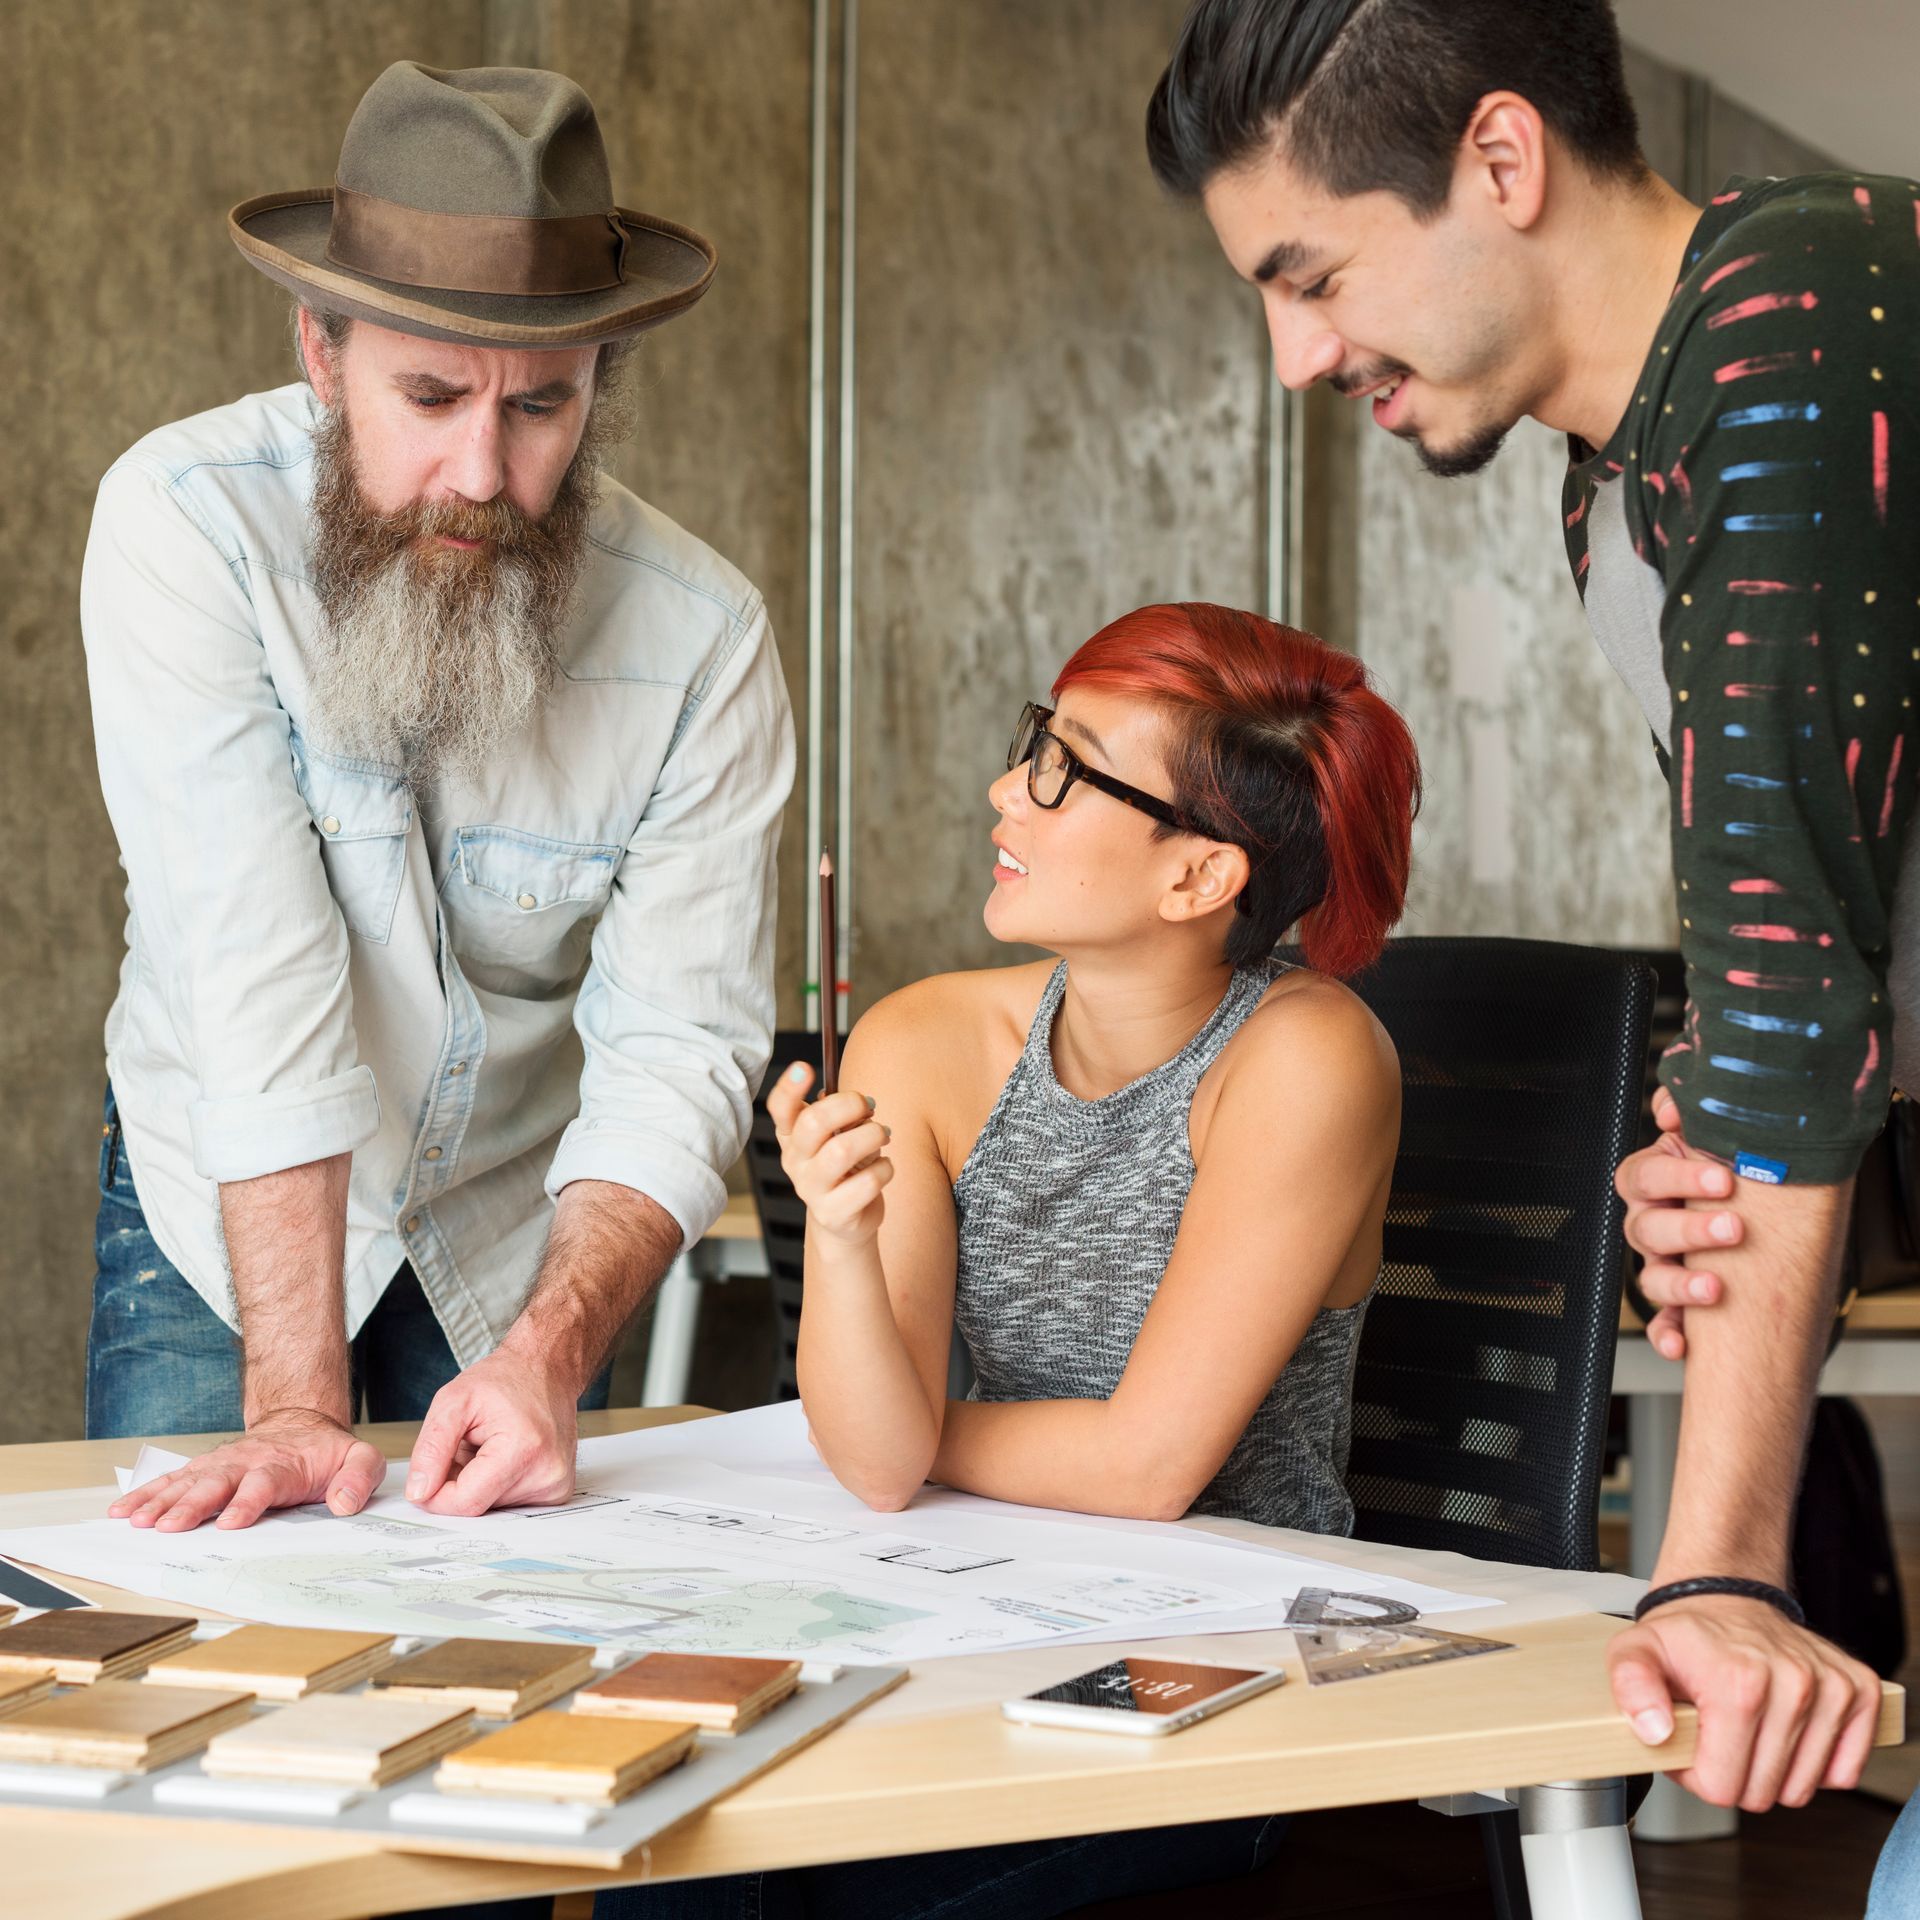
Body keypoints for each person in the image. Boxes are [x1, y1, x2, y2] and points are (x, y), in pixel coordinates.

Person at [1144, 0, 1900, 1839]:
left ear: (1500, 162)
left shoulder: (1789, 313)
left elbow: (1798, 1005)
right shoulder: (1613, 486)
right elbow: (1802, 966)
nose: (1295, 353)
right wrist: (1731, 1141)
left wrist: (1719, 1577)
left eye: (1312, 273)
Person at [595, 600, 1419, 1919]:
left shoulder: (1307, 1060)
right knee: (686, 1823)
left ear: (1198, 878)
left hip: (1222, 1662)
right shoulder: (922, 1041)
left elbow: (1150, 1471)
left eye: (1063, 767)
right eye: (1040, 738)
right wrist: (850, 1248)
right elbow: (871, 1460)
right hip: (981, 1614)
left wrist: (917, 1434)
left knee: (820, 1888)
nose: (1004, 789)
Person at [82, 61, 793, 1536]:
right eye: (428, 396)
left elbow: (678, 1046)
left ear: (601, 383)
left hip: (514, 1251)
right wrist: (290, 1408)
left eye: (541, 406)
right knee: (207, 1648)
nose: (481, 471)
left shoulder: (703, 640)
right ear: (320, 352)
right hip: (229, 1225)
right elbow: (252, 977)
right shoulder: (182, 526)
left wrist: (547, 1355)